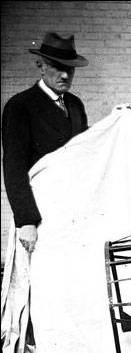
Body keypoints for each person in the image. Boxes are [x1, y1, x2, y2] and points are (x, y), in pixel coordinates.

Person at [2, 32, 89, 254]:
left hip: (73, 210)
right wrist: (26, 221)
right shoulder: (20, 106)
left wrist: (116, 121)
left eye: (69, 69)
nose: (64, 75)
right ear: (41, 66)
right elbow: (14, 168)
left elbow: (86, 151)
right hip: (40, 212)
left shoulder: (75, 105)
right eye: (57, 67)